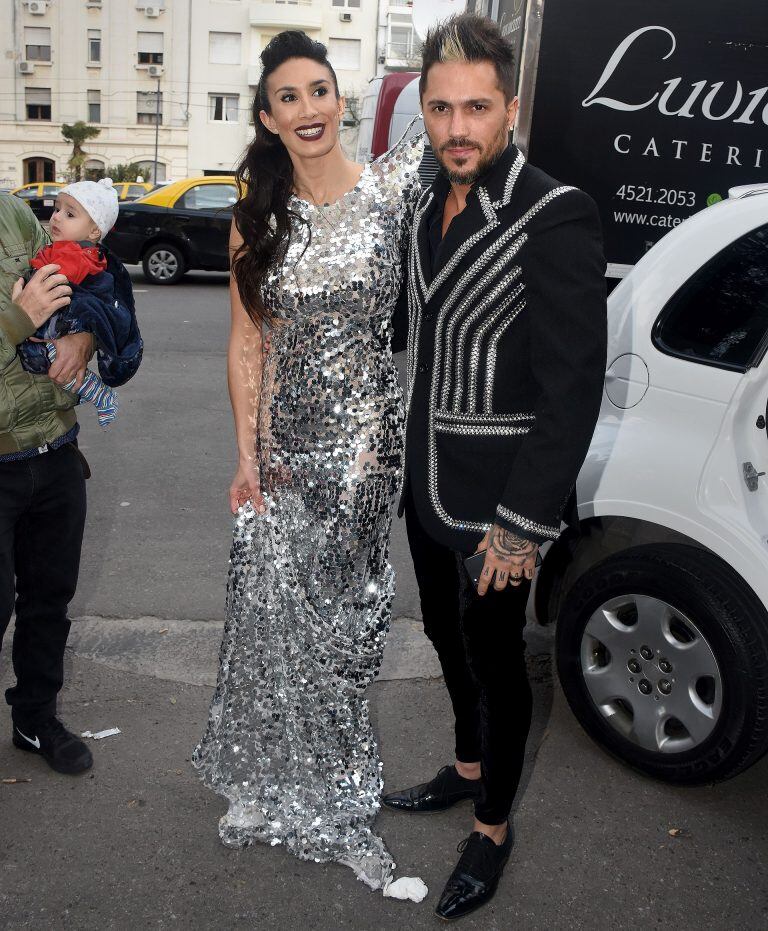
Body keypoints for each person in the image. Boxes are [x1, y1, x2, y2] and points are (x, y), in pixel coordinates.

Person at [382, 13, 608, 921]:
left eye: (476, 107)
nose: (457, 128)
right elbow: (405, 329)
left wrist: (523, 524)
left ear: (509, 109)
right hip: (425, 484)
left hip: (498, 508)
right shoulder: (418, 201)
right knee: (444, 637)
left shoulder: (555, 213)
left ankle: (493, 826)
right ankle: (466, 764)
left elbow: (571, 391)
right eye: (440, 109)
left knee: (497, 662)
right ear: (424, 112)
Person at [193, 31, 426, 899]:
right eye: (288, 97)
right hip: (285, 450)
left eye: (319, 90)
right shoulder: (257, 215)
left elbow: (464, 121)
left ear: (341, 100)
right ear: (268, 117)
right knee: (274, 616)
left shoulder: (390, 190)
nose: (308, 108)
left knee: (349, 622)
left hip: (368, 449)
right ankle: (274, 781)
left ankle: (337, 787)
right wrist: (246, 452)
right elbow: (246, 340)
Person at [0, 193, 95, 774]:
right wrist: (19, 319)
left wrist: (85, 338)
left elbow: (80, 294)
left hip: (55, 448)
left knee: (48, 600)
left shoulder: (13, 214)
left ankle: (34, 719)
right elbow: (29, 313)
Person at [20, 178, 143, 427]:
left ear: (94, 231)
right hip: (58, 322)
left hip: (61, 323)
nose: (56, 218)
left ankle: (100, 394)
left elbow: (54, 285)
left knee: (55, 361)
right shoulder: (66, 249)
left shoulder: (75, 255)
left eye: (69, 214)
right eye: (56, 209)